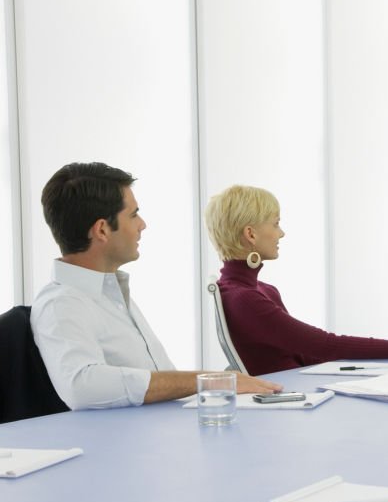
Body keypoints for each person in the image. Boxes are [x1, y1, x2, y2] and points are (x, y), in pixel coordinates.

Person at [31, 163, 282, 410]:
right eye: (133, 215)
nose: (142, 224)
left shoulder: (112, 294)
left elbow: (160, 381)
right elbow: (82, 386)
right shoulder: (61, 303)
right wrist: (208, 381)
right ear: (102, 229)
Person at [204, 185, 388, 375]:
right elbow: (325, 345)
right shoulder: (245, 299)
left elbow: (312, 354)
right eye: (275, 224)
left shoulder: (259, 290)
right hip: (289, 410)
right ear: (251, 234)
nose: (282, 233)